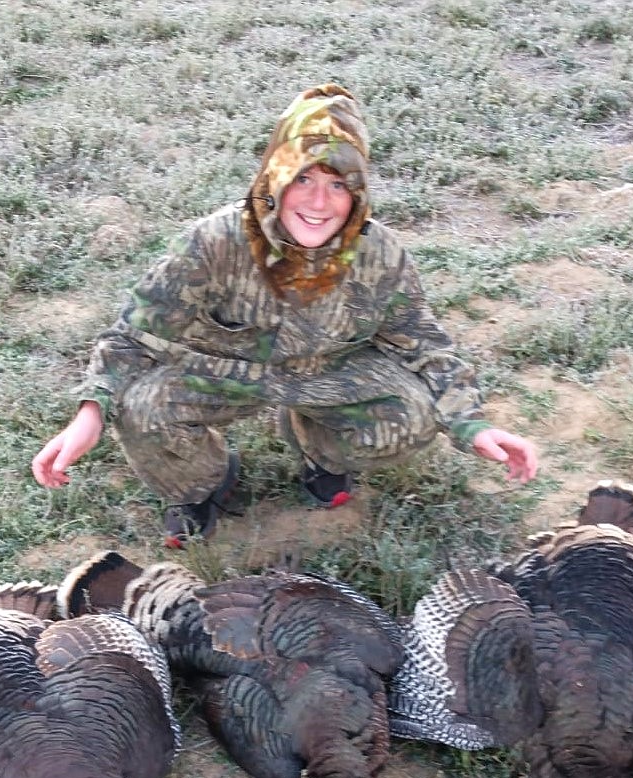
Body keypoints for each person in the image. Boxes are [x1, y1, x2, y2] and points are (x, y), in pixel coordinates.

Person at [32, 83, 538, 547]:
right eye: (304, 178)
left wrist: (471, 424)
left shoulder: (380, 253)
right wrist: (90, 413)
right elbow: (134, 336)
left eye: (340, 185)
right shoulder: (213, 242)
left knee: (414, 417)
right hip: (222, 375)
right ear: (276, 177)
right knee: (141, 409)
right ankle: (203, 483)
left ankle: (316, 447)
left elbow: (422, 342)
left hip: (328, 375)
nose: (320, 202)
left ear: (358, 193)